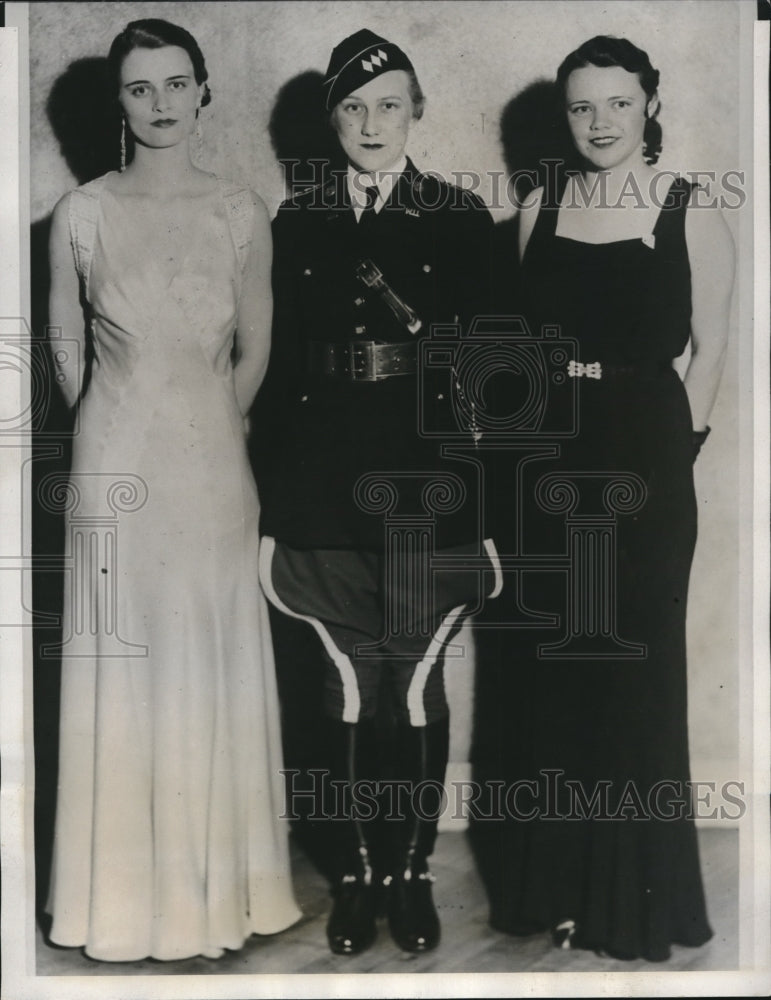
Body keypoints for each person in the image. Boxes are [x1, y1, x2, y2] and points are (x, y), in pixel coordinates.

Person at [470, 35, 734, 962]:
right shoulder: (536, 208)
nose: (599, 123)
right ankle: (560, 893)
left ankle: (635, 906)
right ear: (563, 114)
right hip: (546, 465)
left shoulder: (685, 209)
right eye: (581, 106)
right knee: (555, 680)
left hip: (645, 467)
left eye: (617, 104)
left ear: (649, 105)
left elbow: (710, 350)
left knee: (633, 680)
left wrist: (674, 452)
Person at [45, 18, 301, 961]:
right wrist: (121, 421)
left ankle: (213, 900)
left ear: (202, 93)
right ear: (117, 102)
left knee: (205, 658)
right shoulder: (80, 212)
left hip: (211, 466)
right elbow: (67, 348)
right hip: (115, 461)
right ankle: (114, 905)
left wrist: (209, 421)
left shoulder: (241, 212)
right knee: (125, 666)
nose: (159, 104)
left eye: (175, 85)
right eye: (139, 88)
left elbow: (257, 346)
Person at [254, 29, 497, 955]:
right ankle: (356, 875)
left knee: (419, 686)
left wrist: (483, 503)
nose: (369, 122)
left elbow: (491, 374)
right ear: (329, 121)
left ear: (416, 111)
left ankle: (412, 875)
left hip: (426, 487)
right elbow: (275, 378)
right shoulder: (297, 220)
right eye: (351, 106)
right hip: (319, 488)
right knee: (347, 689)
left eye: (388, 102)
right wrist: (272, 497)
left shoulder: (459, 216)